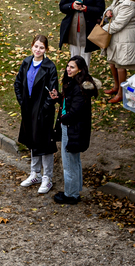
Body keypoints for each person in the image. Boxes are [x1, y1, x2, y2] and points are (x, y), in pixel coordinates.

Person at [14, 34, 60, 194]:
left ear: (46, 49)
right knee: (33, 141)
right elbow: (18, 83)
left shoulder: (49, 67)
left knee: (45, 143)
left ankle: (47, 177)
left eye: (42, 47)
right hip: (29, 109)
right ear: (32, 46)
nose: (38, 50)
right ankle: (35, 173)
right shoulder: (26, 62)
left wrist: (44, 108)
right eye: (36, 46)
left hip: (43, 111)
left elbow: (53, 91)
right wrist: (23, 102)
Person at [53, 55, 98, 204]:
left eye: (72, 67)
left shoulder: (79, 88)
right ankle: (75, 190)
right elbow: (69, 103)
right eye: (68, 66)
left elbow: (75, 111)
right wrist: (59, 98)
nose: (68, 69)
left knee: (69, 163)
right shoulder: (76, 83)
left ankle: (71, 195)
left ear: (80, 69)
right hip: (74, 128)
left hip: (73, 129)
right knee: (74, 161)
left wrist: (63, 119)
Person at [58, 0, 106, 67]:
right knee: (74, 53)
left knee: (85, 54)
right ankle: (74, 76)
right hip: (73, 26)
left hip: (88, 27)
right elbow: (62, 6)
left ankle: (84, 77)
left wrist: (86, 8)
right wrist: (72, 6)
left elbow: (100, 9)